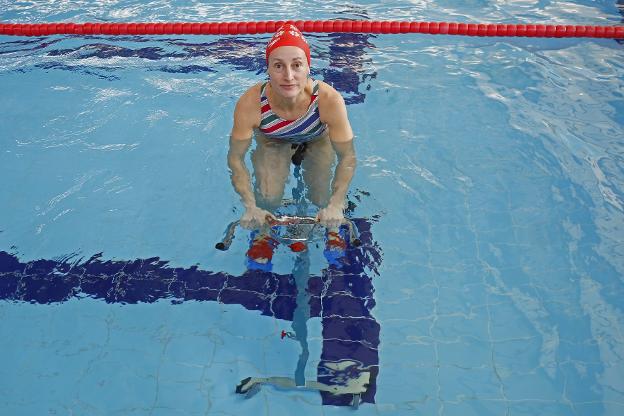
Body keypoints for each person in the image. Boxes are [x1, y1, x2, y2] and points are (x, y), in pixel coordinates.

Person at [228, 23, 356, 268]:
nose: (288, 76)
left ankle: (332, 227)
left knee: (322, 194)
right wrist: (249, 205)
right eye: (278, 66)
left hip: (317, 139)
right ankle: (264, 230)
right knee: (267, 196)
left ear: (308, 67)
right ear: (267, 68)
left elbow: (347, 157)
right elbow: (235, 158)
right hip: (273, 140)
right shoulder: (250, 103)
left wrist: (337, 203)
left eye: (297, 65)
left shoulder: (328, 100)